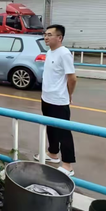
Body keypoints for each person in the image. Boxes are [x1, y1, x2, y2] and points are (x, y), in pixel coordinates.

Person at [34, 24, 77, 177]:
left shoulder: (64, 53)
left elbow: (72, 78)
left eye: (50, 35)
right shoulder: (50, 52)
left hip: (59, 100)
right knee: (50, 127)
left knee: (63, 132)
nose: (46, 37)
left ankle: (68, 165)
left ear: (59, 37)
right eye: (45, 34)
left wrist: (68, 94)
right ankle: (53, 154)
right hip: (46, 98)